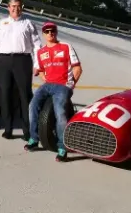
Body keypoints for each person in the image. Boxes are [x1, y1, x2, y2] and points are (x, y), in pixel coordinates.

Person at [24, 21, 82, 161]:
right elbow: (39, 70)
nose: (50, 33)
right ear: (43, 34)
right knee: (32, 106)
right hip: (48, 84)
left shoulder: (66, 46)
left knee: (60, 113)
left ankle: (62, 147)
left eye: (52, 30)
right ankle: (34, 139)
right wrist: (45, 79)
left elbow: (77, 68)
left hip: (63, 85)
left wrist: (70, 85)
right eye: (47, 31)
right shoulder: (41, 51)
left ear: (56, 32)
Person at [0, 0, 41, 140]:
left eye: (18, 6)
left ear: (21, 7)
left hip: (22, 60)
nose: (15, 9)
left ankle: (27, 130)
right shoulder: (0, 24)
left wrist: (37, 64)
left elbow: (37, 45)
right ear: (8, 7)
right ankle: (8, 128)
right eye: (13, 6)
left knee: (25, 95)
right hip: (3, 61)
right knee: (5, 94)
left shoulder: (28, 23)